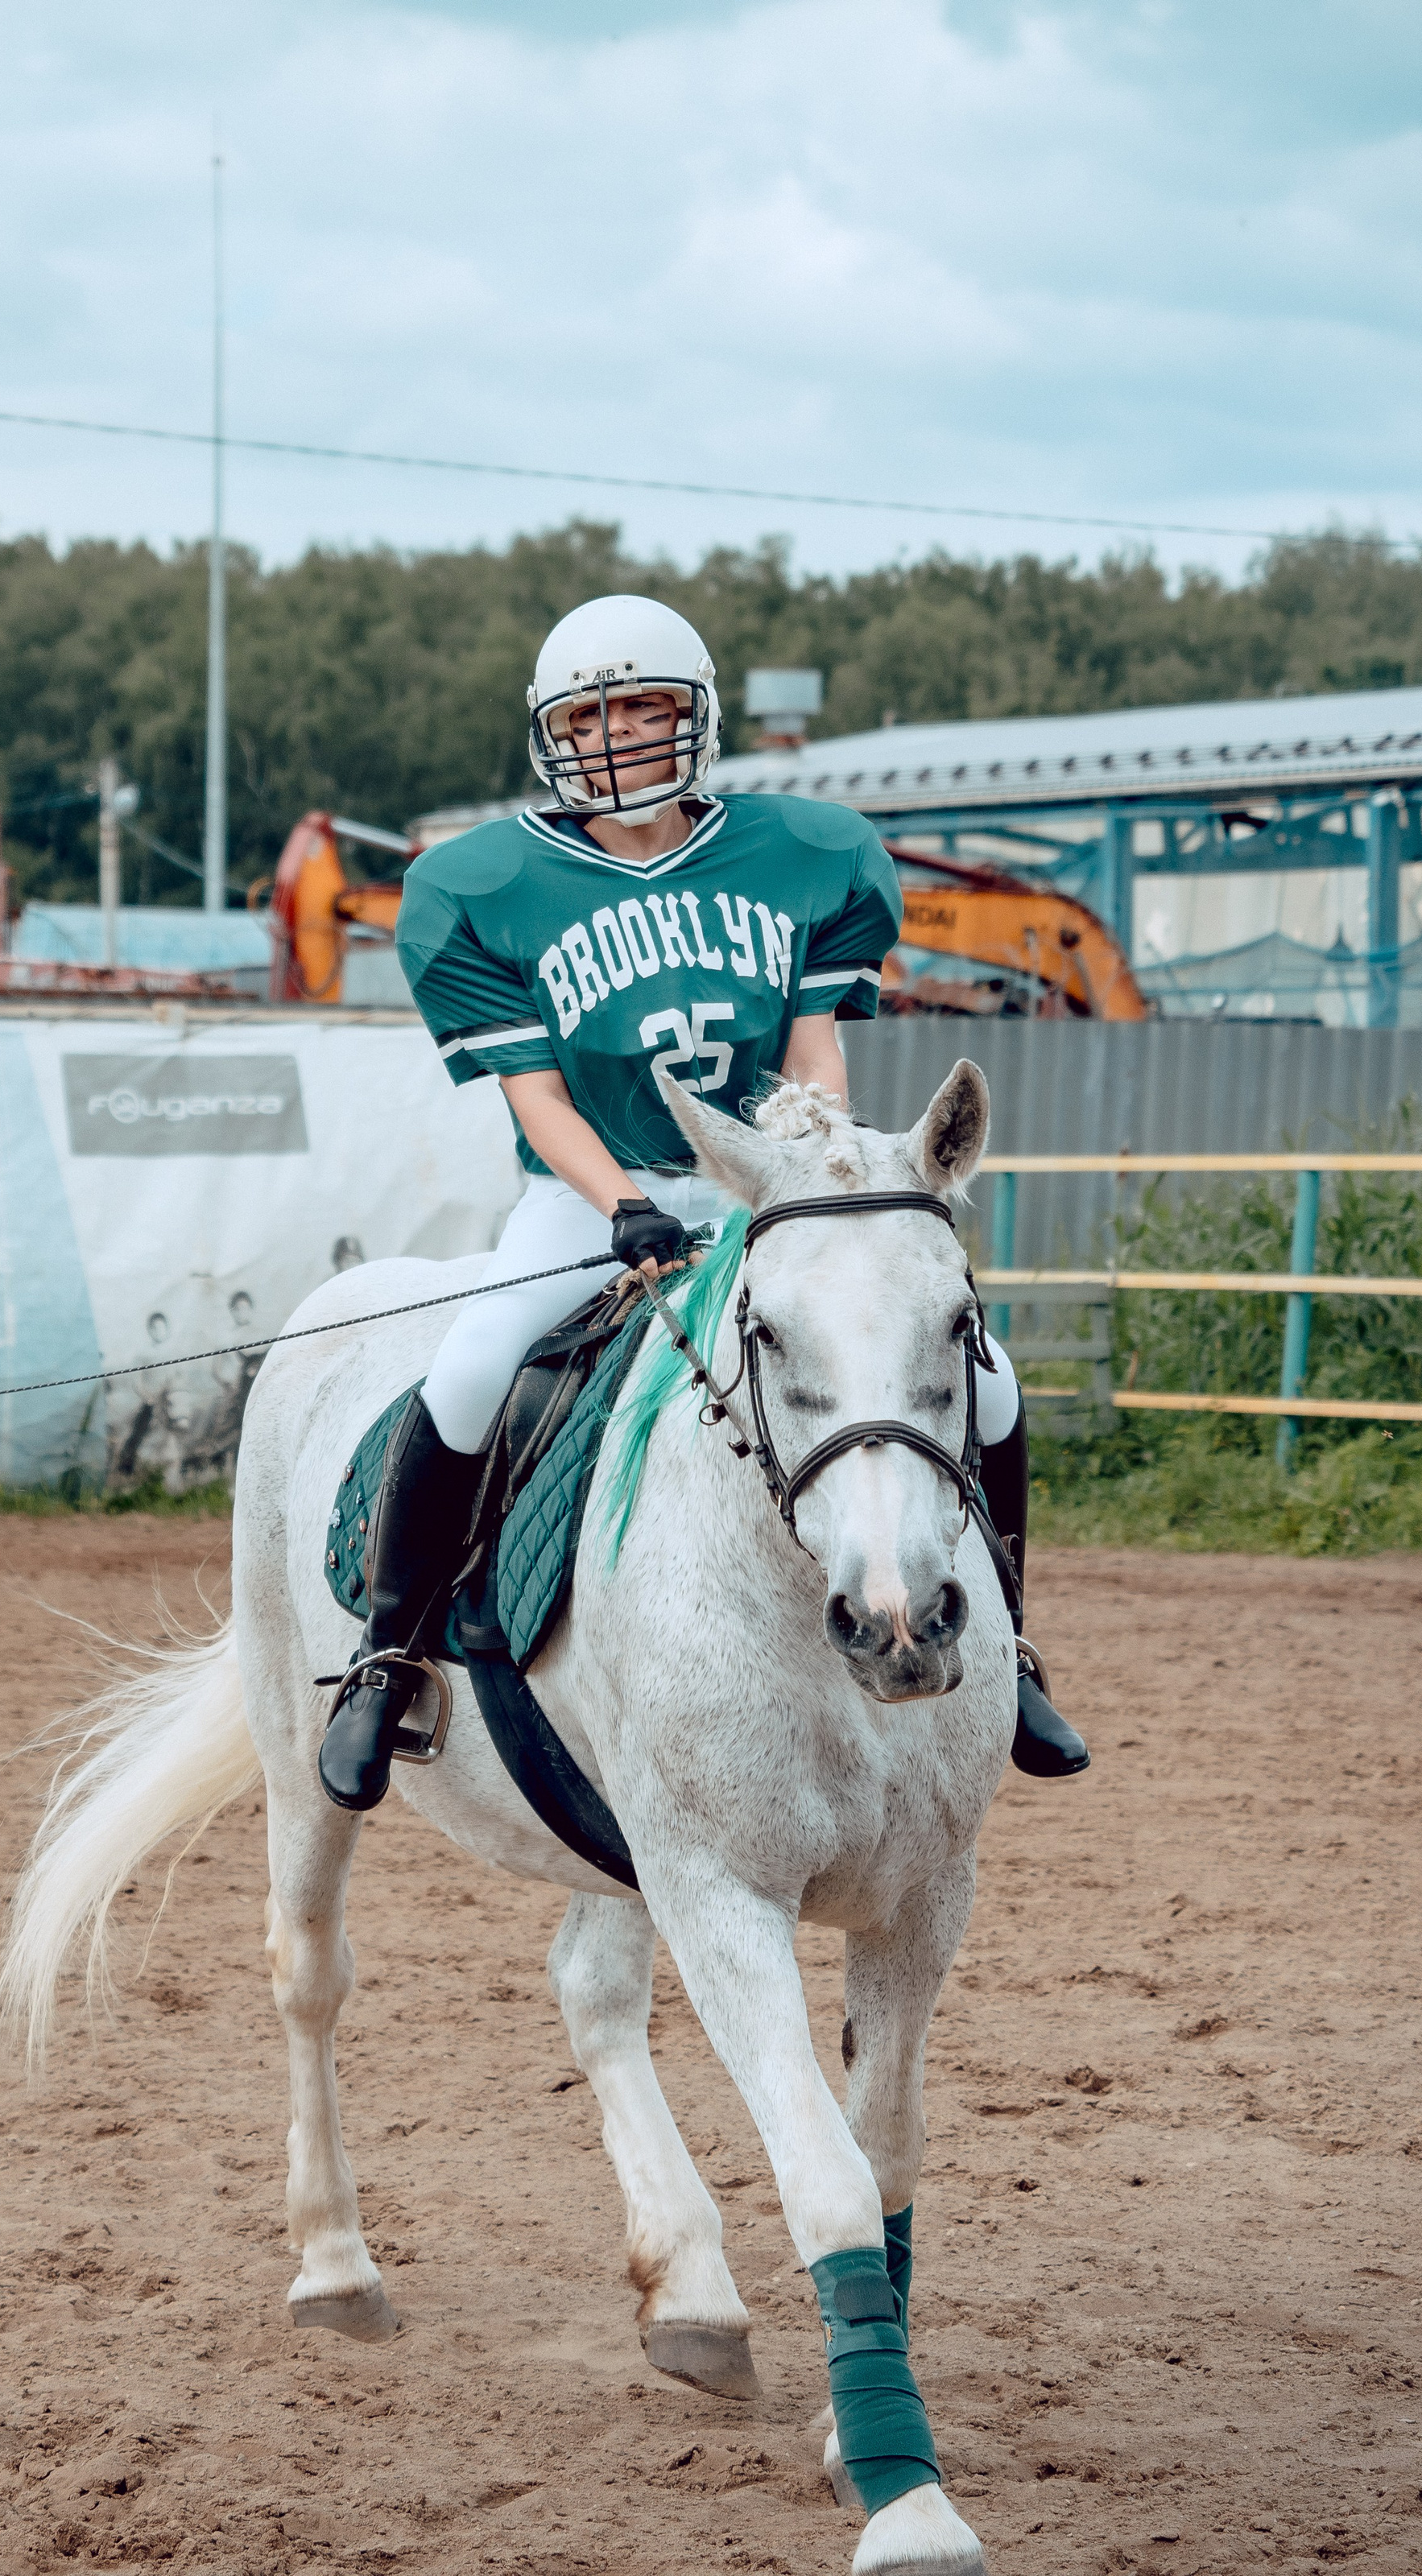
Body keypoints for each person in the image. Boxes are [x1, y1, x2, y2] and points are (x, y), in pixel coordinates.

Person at [318, 594, 1088, 1814]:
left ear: (698, 716)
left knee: (984, 1376)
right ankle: (386, 1657)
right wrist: (621, 1205)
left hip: (763, 1191)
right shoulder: (487, 882)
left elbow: (812, 1048)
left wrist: (806, 1163)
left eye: (646, 706)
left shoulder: (804, 853)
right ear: (552, 733)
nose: (620, 735)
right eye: (594, 712)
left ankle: (1011, 1647)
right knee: (471, 1371)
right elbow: (536, 1096)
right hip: (596, 1200)